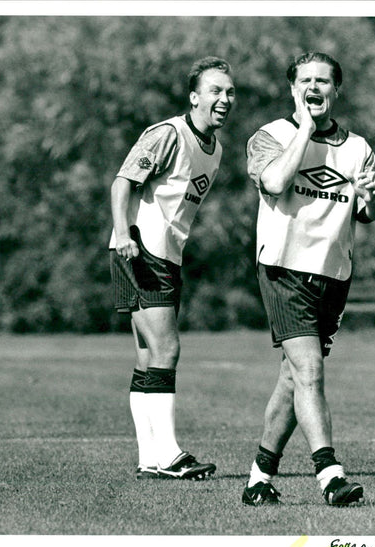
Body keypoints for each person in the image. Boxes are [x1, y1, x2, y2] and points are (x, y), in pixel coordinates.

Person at [241, 52, 375, 506]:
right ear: (292, 89)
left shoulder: (357, 147)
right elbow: (274, 183)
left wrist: (369, 195)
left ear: (336, 90)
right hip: (283, 268)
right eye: (305, 80)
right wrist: (305, 130)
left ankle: (258, 479)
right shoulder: (270, 136)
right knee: (309, 370)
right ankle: (330, 474)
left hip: (333, 276)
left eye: (323, 81)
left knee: (292, 378)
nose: (314, 88)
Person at [108, 56, 235, 480]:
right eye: (215, 90)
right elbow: (122, 182)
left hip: (166, 255)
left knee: (147, 357)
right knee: (167, 350)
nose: (224, 99)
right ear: (194, 96)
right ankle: (170, 456)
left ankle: (149, 458)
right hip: (141, 251)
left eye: (229, 92)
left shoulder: (215, 149)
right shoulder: (168, 134)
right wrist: (122, 233)